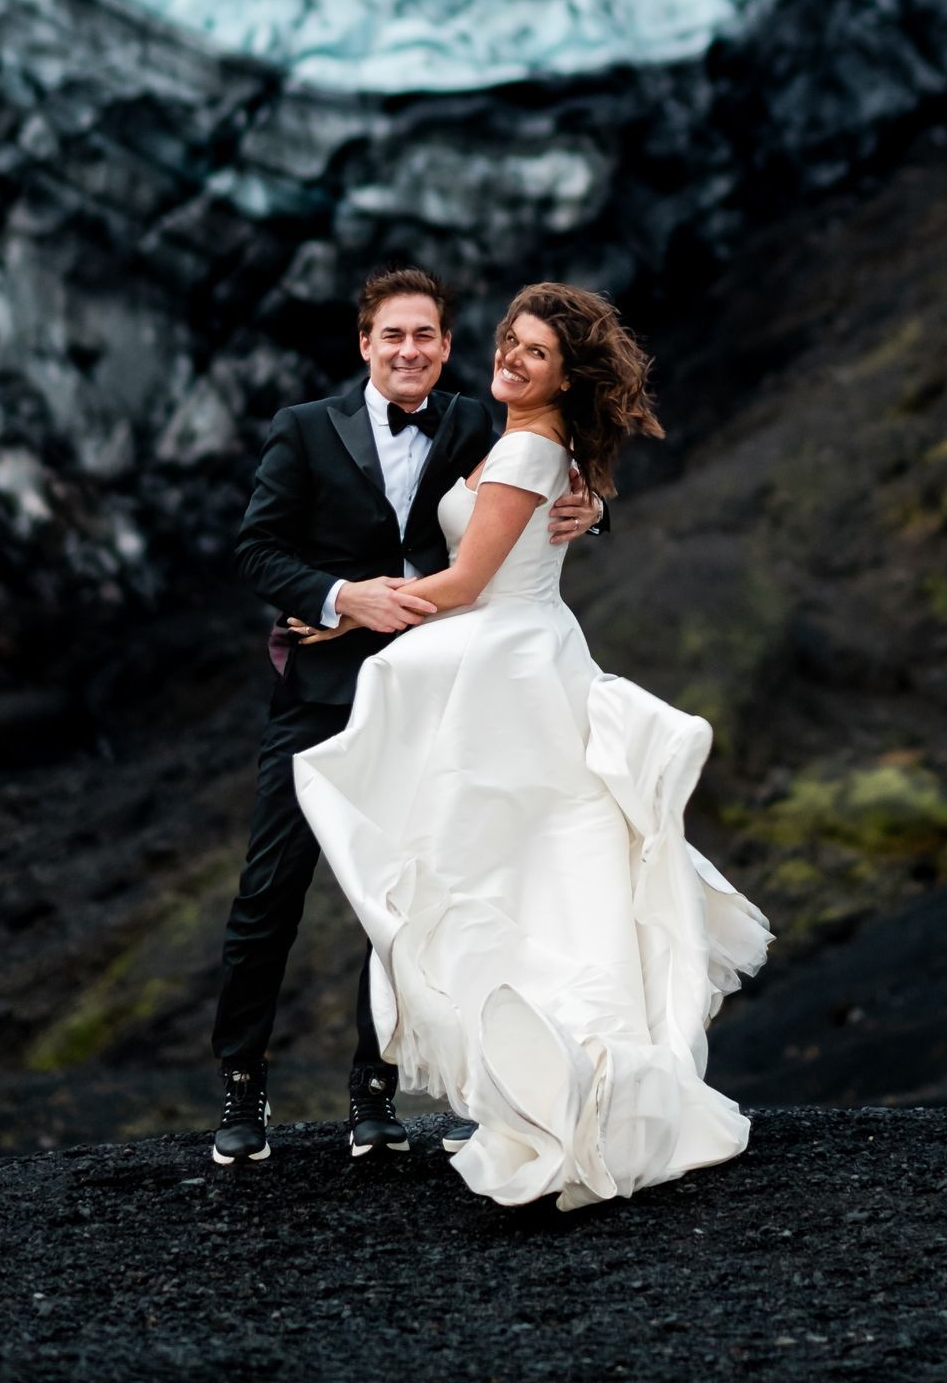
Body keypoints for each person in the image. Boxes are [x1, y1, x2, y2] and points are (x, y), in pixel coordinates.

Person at [293, 281, 770, 1210]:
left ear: (565, 374)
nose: (510, 359)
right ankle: (562, 1081)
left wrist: (347, 610)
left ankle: (573, 1080)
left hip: (505, 667)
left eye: (535, 353)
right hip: (517, 660)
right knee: (535, 873)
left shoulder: (527, 446)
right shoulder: (532, 443)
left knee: (505, 868)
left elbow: (469, 581)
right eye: (509, 341)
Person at [210, 265, 605, 1166]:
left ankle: (374, 1094)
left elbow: (540, 474)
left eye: (425, 335)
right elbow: (256, 549)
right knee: (270, 892)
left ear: (445, 347)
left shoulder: (474, 419)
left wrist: (597, 509)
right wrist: (342, 596)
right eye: (392, 335)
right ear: (364, 344)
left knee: (400, 900)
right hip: (317, 693)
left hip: (436, 696)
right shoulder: (305, 430)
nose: (409, 351)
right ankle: (242, 1090)